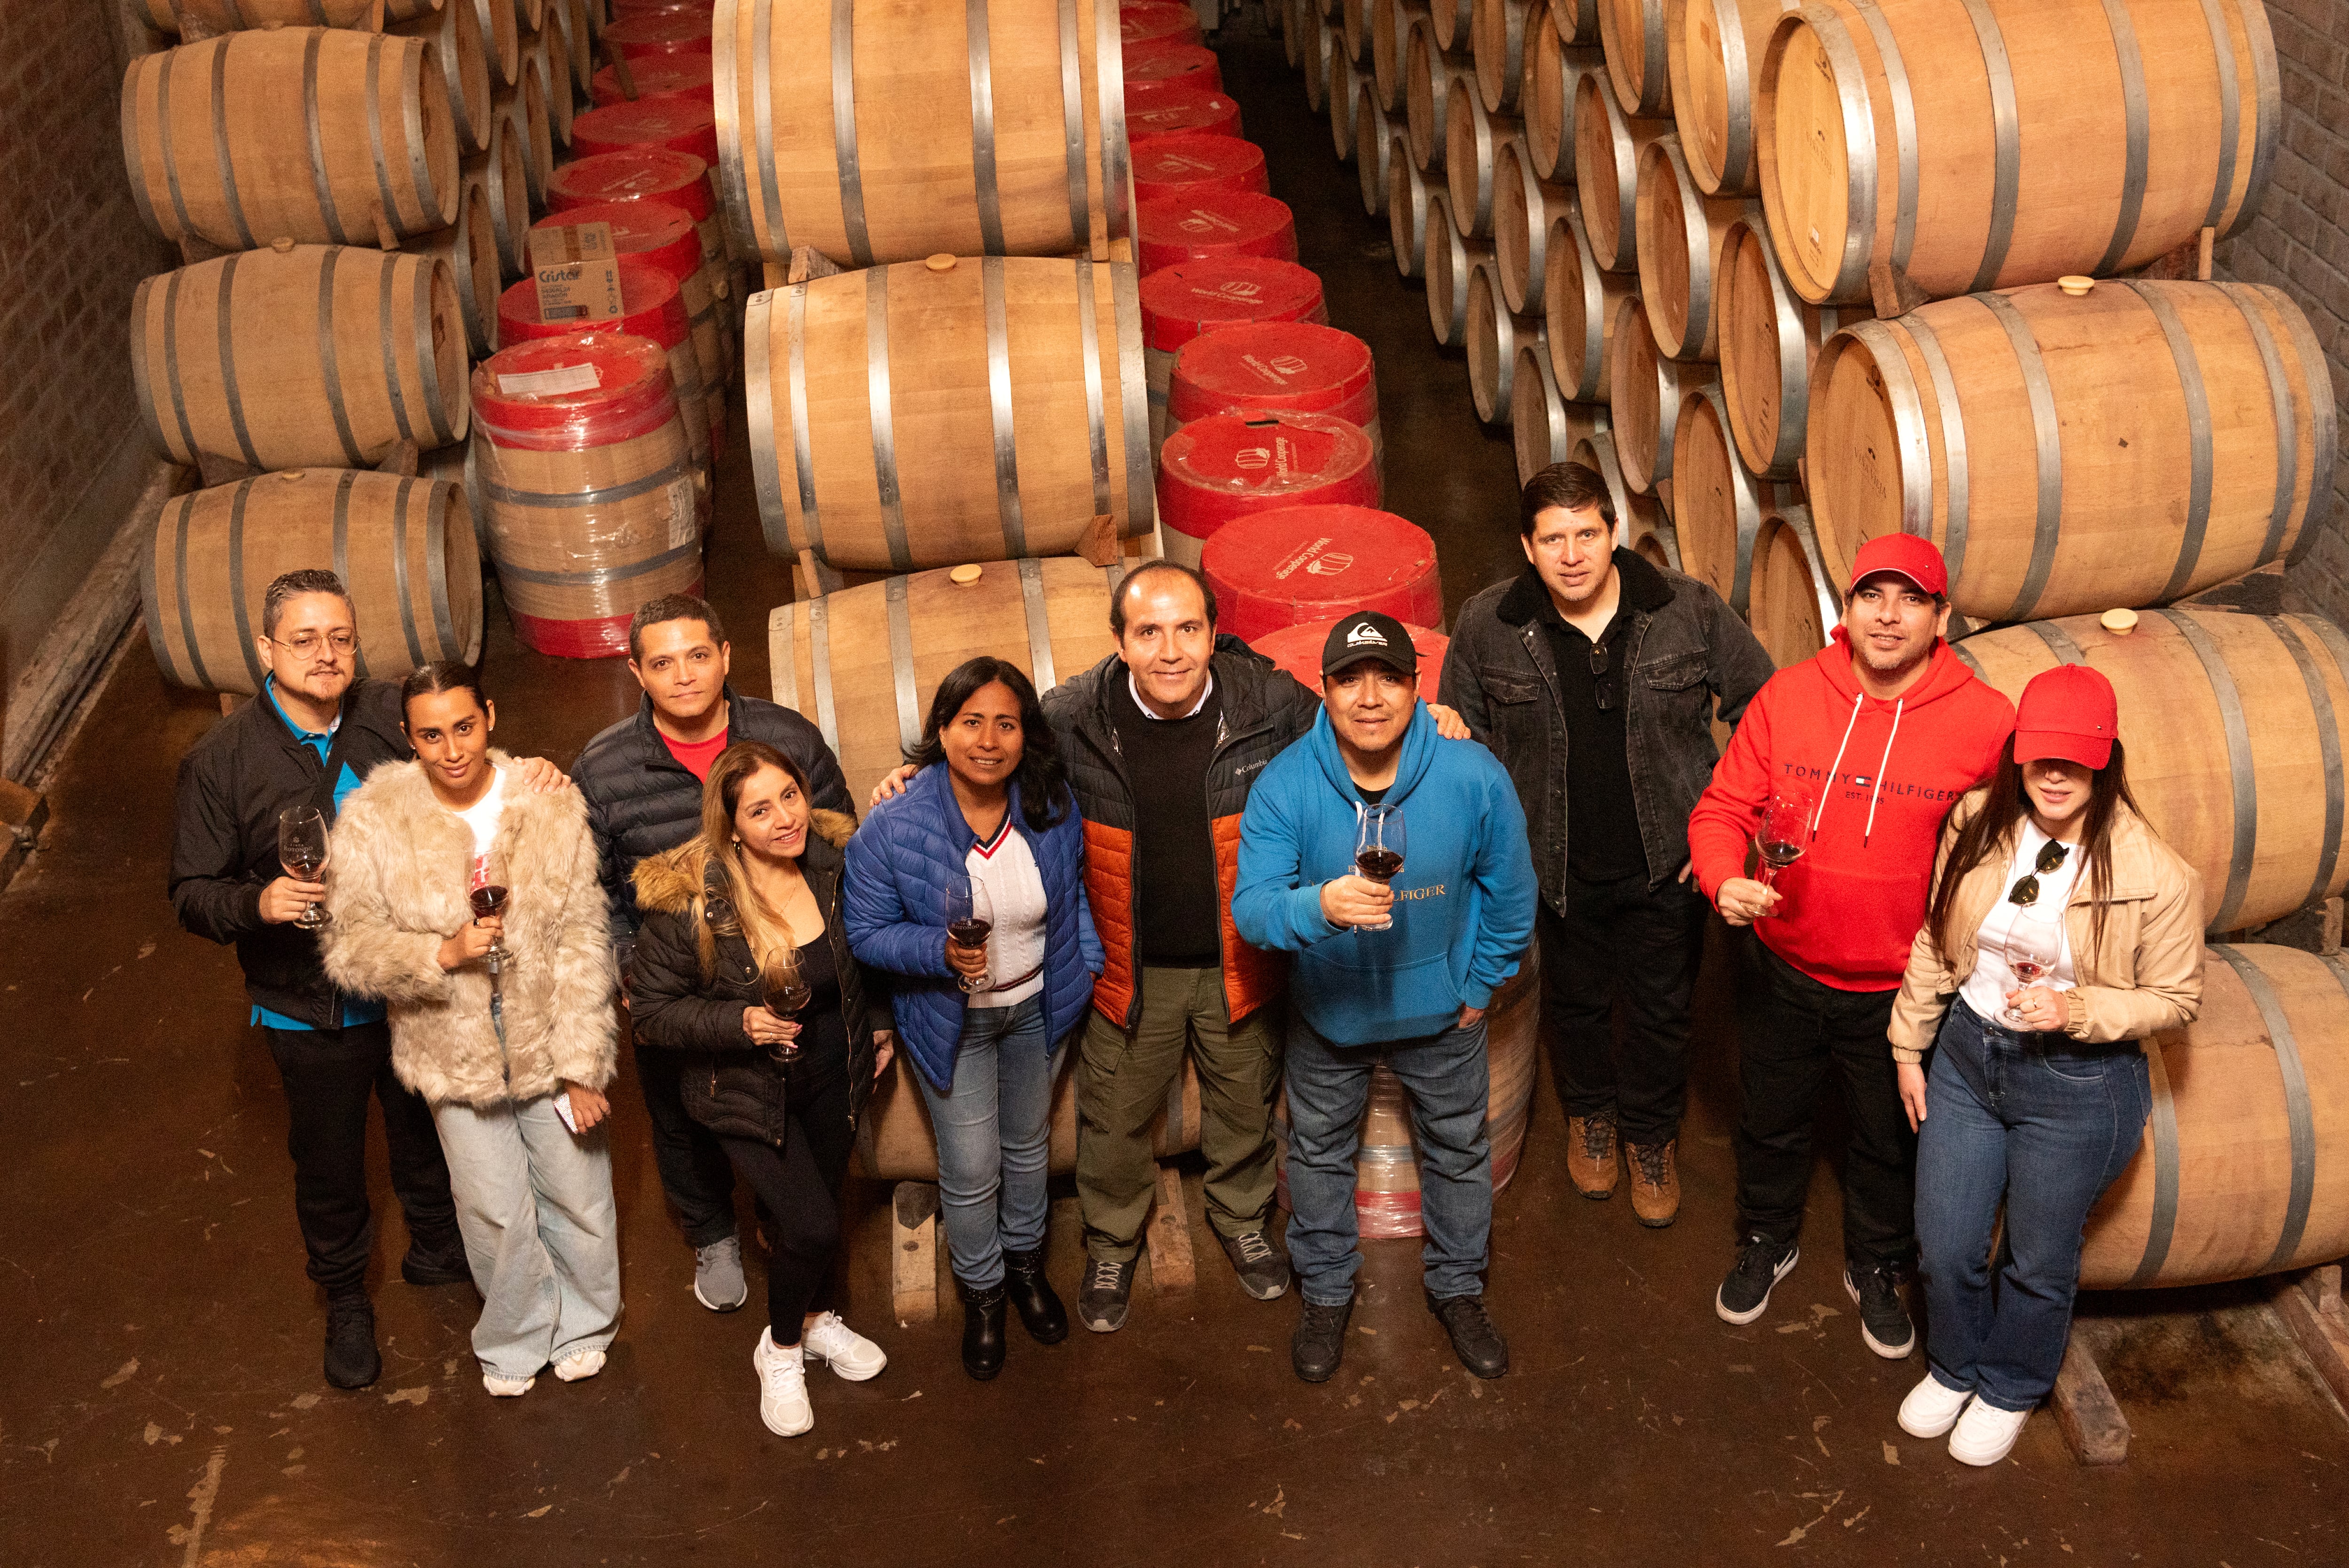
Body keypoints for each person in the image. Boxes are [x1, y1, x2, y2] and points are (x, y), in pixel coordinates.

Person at [868, 562, 1472, 1331]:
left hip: (1240, 954)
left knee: (1243, 1102)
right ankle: (1114, 1241)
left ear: (1213, 633)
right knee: (1115, 1118)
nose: (1171, 650)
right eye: (1148, 631)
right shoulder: (1074, 715)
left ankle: (1244, 1219)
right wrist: (916, 774)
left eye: (1188, 628)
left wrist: (1436, 720)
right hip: (1131, 960)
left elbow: (1361, 723)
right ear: (1119, 641)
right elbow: (994, 756)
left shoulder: (1267, 702)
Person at [167, 570, 566, 1389]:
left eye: (341, 637)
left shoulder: (390, 714)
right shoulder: (221, 761)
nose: (326, 654)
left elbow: (468, 761)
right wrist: (258, 899)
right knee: (331, 1161)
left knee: (425, 1127)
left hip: (417, 979)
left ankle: (437, 1246)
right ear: (266, 650)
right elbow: (189, 892)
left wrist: (535, 774)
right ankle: (347, 1297)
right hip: (307, 1005)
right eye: (305, 639)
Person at [1688, 535, 2015, 1359]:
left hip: (1900, 989)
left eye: (1911, 599)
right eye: (1874, 595)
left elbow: (2014, 843)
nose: (1889, 615)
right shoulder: (1791, 696)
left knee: (1889, 1136)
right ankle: (1766, 1236)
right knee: (1770, 1117)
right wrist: (1723, 876)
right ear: (1848, 608)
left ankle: (1876, 1261)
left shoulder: (1984, 723)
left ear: (1941, 618)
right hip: (1782, 961)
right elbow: (1721, 808)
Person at [1441, 463, 1773, 1226]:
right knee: (1577, 1001)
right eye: (1552, 538)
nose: (1572, 554)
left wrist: (1723, 819)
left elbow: (1763, 706)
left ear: (1613, 532)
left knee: (1661, 1009)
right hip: (1550, 861)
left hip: (1668, 861)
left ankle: (1651, 1135)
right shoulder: (1487, 622)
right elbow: (1461, 733)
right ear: (1528, 546)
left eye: (1587, 532)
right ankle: (1591, 1116)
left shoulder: (1686, 607)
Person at [1887, 664, 2200, 1465]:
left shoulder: (2155, 874)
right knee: (1948, 1243)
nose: (2054, 774)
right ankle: (1955, 1366)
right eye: (2039, 755)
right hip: (1965, 1056)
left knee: (2038, 1257)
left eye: (2075, 757)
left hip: (2076, 1085)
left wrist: (2080, 1008)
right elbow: (1936, 937)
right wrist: (1907, 1044)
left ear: (2106, 758)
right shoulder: (1976, 823)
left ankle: (2011, 1384)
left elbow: (2178, 998)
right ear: (2018, 754)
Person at [1232, 612, 1538, 1384]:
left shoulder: (1473, 776)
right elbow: (1254, 909)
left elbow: (1512, 894)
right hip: (1330, 1017)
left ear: (1416, 686)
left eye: (1390, 678)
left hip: (1443, 1016)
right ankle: (1329, 1291)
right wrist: (1320, 907)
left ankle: (1459, 1289)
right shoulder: (1287, 786)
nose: (1370, 697)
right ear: (1325, 689)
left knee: (1459, 1155)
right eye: (1349, 679)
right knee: (1319, 1156)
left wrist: (1476, 986)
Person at [322, 662, 621, 1398]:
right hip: (449, 1049)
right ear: (408, 738)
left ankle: (585, 1322)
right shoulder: (372, 817)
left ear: (489, 715)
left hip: (549, 1038)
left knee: (577, 1193)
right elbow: (348, 944)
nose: (452, 749)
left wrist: (584, 1060)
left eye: (464, 726)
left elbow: (585, 935)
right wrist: (438, 953)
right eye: (431, 735)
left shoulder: (546, 801)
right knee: (490, 1207)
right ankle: (517, 1332)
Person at [574, 594, 855, 1317]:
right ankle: (712, 1230)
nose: (685, 676)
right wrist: (628, 963)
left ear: (726, 656)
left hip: (783, 956)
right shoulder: (605, 767)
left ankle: (778, 1215)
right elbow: (591, 885)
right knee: (677, 1111)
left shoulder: (785, 735)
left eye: (699, 655)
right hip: (679, 970)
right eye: (662, 662)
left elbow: (832, 837)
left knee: (794, 1100)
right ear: (636, 671)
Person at [845, 660, 1104, 1381]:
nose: (988, 739)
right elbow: (864, 931)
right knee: (969, 1168)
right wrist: (936, 949)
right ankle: (984, 1291)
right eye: (970, 721)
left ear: (1027, 735)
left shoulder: (1050, 803)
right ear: (940, 728)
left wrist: (1087, 960)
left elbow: (1075, 886)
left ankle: (1025, 1268)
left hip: (1036, 1010)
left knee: (1027, 1149)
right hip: (952, 1020)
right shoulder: (893, 825)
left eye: (1007, 723)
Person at [629, 742, 894, 1436]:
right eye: (760, 808)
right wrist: (736, 1020)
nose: (784, 818)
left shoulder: (834, 865)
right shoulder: (694, 901)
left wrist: (881, 1027)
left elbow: (868, 950)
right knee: (812, 1224)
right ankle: (778, 1349)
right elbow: (652, 1012)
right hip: (744, 1086)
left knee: (816, 1209)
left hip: (835, 1069)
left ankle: (814, 1320)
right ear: (730, 823)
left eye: (791, 796)